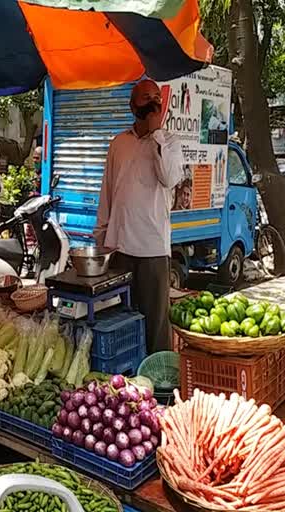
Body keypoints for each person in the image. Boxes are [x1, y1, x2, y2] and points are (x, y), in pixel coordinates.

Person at [94, 79, 182, 354]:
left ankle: (159, 383)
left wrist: (157, 135)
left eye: (157, 97)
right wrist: (101, 235)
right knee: (122, 318)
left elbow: (169, 178)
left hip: (153, 248)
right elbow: (108, 191)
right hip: (120, 245)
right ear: (133, 106)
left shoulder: (169, 142)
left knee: (155, 322)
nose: (153, 102)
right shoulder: (119, 143)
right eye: (146, 98)